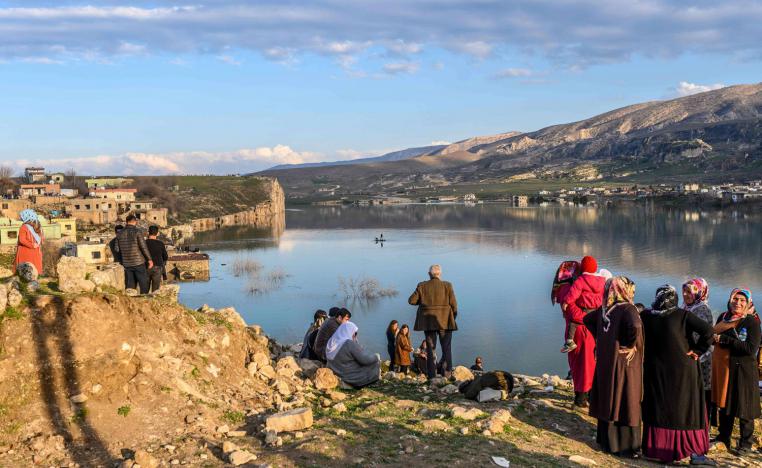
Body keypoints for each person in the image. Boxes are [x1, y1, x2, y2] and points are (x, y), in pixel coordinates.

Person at [640, 285, 715, 466]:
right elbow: (708, 331)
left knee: (659, 408)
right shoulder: (682, 315)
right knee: (686, 409)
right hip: (683, 371)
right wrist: (698, 350)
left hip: (655, 371)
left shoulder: (647, 316)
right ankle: (693, 452)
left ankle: (656, 450)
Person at [583, 276, 644, 457]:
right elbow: (636, 325)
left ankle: (606, 441)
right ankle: (625, 446)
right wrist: (631, 345)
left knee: (609, 395)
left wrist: (602, 340)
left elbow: (587, 319)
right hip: (624, 363)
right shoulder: (627, 308)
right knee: (625, 397)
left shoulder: (605, 309)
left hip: (606, 361)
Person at [711, 288, 760, 455]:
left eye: (742, 300)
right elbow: (713, 337)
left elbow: (750, 348)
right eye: (735, 299)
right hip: (725, 368)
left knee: (745, 407)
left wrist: (724, 339)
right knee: (726, 404)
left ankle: (745, 443)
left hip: (744, 370)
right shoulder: (723, 317)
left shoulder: (751, 322)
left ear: (748, 303)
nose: (737, 303)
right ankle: (723, 437)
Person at [558, 256, 603, 408]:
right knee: (586, 363)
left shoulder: (573, 286)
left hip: (581, 330)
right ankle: (585, 396)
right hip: (589, 329)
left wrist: (588, 317)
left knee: (583, 363)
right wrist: (594, 317)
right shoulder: (597, 283)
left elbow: (571, 311)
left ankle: (582, 397)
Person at [409, 264, 458, 378]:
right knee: (446, 348)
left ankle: (432, 376)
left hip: (428, 323)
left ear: (429, 274)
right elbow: (454, 305)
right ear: (440, 274)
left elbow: (411, 300)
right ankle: (447, 374)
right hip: (445, 322)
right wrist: (452, 318)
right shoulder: (447, 285)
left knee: (431, 350)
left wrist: (423, 301)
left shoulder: (422, 286)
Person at [682, 278, 715, 425]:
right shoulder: (687, 308)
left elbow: (698, 337)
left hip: (700, 359)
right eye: (684, 290)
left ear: (700, 292)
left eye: (689, 291)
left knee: (701, 395)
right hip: (690, 358)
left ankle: (702, 428)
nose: (685, 294)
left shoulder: (702, 310)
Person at [562, 255, 606, 353]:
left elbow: (573, 293)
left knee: (572, 324)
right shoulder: (602, 281)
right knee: (596, 329)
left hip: (585, 309)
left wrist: (566, 302)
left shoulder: (581, 280)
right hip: (597, 310)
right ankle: (598, 344)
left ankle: (570, 342)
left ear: (583, 268)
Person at [326, 321, 380, 388]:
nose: (355, 335)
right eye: (355, 333)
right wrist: (376, 357)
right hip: (352, 378)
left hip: (338, 373)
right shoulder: (348, 343)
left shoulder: (331, 342)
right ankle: (371, 381)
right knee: (375, 362)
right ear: (349, 331)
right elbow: (365, 360)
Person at [115, 214, 153, 294]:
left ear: (126, 222)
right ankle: (144, 299)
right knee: (143, 283)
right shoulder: (137, 232)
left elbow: (117, 249)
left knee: (130, 285)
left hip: (127, 263)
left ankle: (132, 301)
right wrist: (149, 259)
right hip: (138, 261)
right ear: (135, 222)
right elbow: (143, 247)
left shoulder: (119, 233)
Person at [14, 209, 44, 275]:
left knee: (25, 271)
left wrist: (32, 245)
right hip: (36, 251)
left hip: (25, 252)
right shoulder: (38, 226)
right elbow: (42, 239)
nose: (21, 218)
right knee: (35, 270)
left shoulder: (24, 227)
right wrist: (35, 245)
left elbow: (22, 240)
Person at [145, 225, 168, 292]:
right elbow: (165, 257)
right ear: (157, 233)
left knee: (145, 290)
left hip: (146, 267)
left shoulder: (144, 243)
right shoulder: (160, 244)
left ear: (148, 232)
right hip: (157, 268)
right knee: (155, 290)